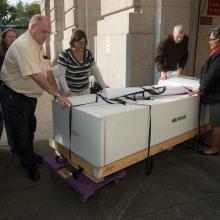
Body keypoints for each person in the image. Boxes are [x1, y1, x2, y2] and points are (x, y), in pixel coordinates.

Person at [0, 14, 72, 181]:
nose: (47, 36)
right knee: (21, 133)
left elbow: (47, 71)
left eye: (49, 33)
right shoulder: (23, 45)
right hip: (14, 96)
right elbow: (36, 75)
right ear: (32, 27)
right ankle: (29, 165)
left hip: (28, 97)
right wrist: (56, 94)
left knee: (30, 127)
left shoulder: (38, 43)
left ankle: (30, 155)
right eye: (44, 32)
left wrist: (58, 94)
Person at [189, 27, 220, 155]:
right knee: (215, 122)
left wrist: (201, 88)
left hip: (217, 95)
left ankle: (214, 148)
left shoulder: (218, 54)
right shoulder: (216, 52)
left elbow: (213, 74)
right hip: (215, 93)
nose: (209, 41)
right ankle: (212, 142)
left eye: (212, 39)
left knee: (216, 122)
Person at [57, 29, 108, 96]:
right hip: (70, 92)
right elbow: (61, 75)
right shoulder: (64, 55)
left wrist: (104, 86)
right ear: (73, 42)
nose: (82, 45)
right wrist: (66, 90)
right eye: (79, 42)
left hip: (85, 91)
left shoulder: (88, 54)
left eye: (83, 43)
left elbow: (96, 70)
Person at [0, 28, 17, 144]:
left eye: (14, 37)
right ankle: (12, 143)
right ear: (4, 39)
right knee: (5, 117)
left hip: (14, 89)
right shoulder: (1, 53)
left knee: (13, 118)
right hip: (3, 88)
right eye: (9, 37)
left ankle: (14, 142)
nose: (11, 39)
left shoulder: (17, 51)